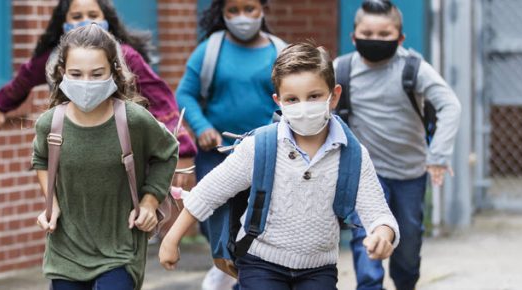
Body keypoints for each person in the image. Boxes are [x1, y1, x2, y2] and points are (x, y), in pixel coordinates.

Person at [160, 43, 399, 290]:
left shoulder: (353, 154)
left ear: (334, 96)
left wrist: (382, 233)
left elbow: (378, 211)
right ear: (279, 101)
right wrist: (172, 238)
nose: (303, 106)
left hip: (319, 270)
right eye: (292, 99)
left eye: (314, 96)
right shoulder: (260, 146)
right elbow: (209, 191)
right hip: (261, 262)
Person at [32, 24, 179, 290]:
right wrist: (51, 204)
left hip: (120, 250)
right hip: (65, 251)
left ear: (113, 71)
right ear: (62, 73)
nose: (86, 83)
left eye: (97, 74)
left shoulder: (132, 120)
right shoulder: (50, 124)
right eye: (76, 74)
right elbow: (41, 159)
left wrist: (148, 202)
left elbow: (167, 153)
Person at [336, 1, 462, 289]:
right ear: (354, 37)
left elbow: (450, 105)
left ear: (400, 38)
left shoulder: (413, 69)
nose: (375, 40)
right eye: (367, 33)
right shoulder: (340, 71)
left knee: (406, 250)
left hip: (409, 174)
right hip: (366, 175)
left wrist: (438, 156)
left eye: (384, 34)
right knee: (366, 241)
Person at [0, 0, 196, 159]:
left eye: (93, 14)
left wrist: (181, 148)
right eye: (76, 16)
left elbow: (160, 98)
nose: (86, 21)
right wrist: (1, 106)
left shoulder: (125, 55)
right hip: (73, 145)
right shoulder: (54, 58)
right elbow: (23, 78)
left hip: (122, 146)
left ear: (106, 18)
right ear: (63, 23)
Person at [174, 0, 289, 288]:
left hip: (265, 154)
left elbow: (292, 96)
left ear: (263, 9)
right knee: (214, 220)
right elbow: (185, 94)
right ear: (222, 14)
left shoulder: (280, 52)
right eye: (233, 11)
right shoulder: (210, 50)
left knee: (256, 220)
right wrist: (202, 128)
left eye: (249, 9)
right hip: (217, 154)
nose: (242, 18)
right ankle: (224, 270)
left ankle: (243, 278)